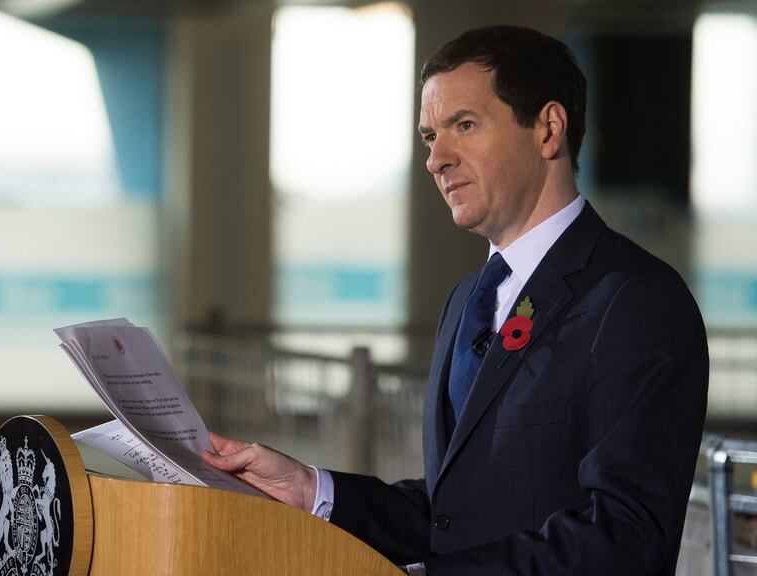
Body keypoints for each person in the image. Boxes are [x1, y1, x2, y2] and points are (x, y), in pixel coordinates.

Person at [202, 25, 708, 575]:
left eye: (464, 125)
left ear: (548, 129)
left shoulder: (635, 299)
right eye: (429, 137)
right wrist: (312, 490)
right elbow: (452, 517)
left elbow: (626, 536)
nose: (436, 159)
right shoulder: (469, 298)